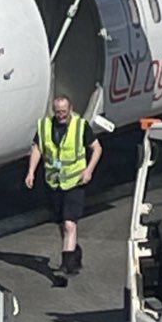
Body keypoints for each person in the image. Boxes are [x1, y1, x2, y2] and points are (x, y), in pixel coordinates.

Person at [25, 96, 102, 274]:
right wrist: (31, 171)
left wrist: (88, 170)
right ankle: (74, 251)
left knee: (69, 224)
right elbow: (38, 148)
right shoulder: (45, 126)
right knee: (62, 223)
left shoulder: (80, 126)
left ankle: (68, 265)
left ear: (70, 108)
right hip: (54, 183)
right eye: (58, 112)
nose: (61, 115)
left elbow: (97, 149)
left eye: (64, 112)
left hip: (75, 181)